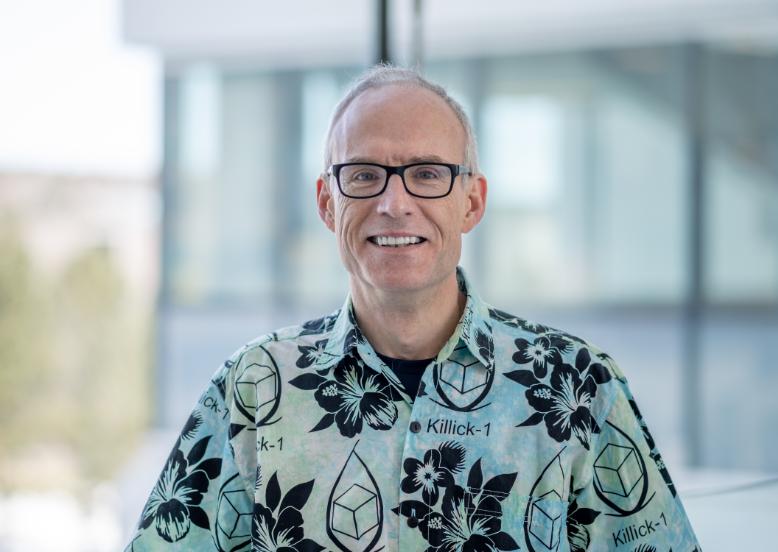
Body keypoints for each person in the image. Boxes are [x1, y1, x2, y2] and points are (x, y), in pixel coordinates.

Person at [126, 64, 701, 552]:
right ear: (328, 203)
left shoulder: (578, 389)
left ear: (471, 200)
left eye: (426, 174)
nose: (394, 204)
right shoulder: (255, 387)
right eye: (364, 175)